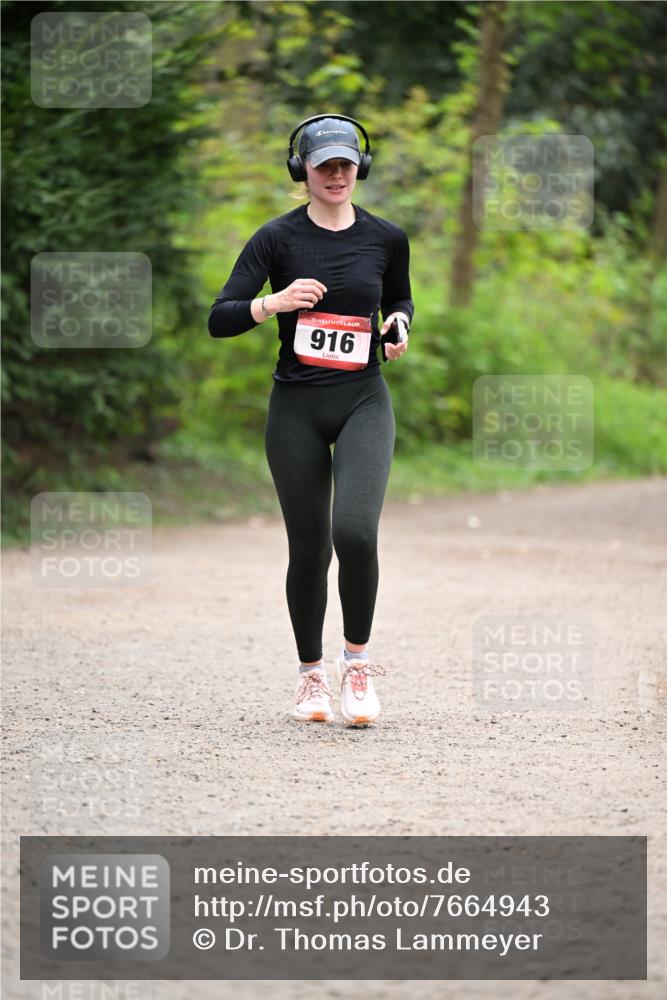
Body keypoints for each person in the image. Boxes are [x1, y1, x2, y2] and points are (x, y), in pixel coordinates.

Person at [208, 114, 414, 727]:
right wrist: (271, 303)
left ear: (361, 168)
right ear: (302, 170)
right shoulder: (275, 239)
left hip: (362, 401)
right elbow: (219, 316)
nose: (336, 175)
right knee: (309, 547)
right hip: (295, 407)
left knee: (355, 531)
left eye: (346, 165)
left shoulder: (387, 237)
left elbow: (399, 298)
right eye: (323, 165)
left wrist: (399, 324)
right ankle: (310, 678)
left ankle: (357, 666)